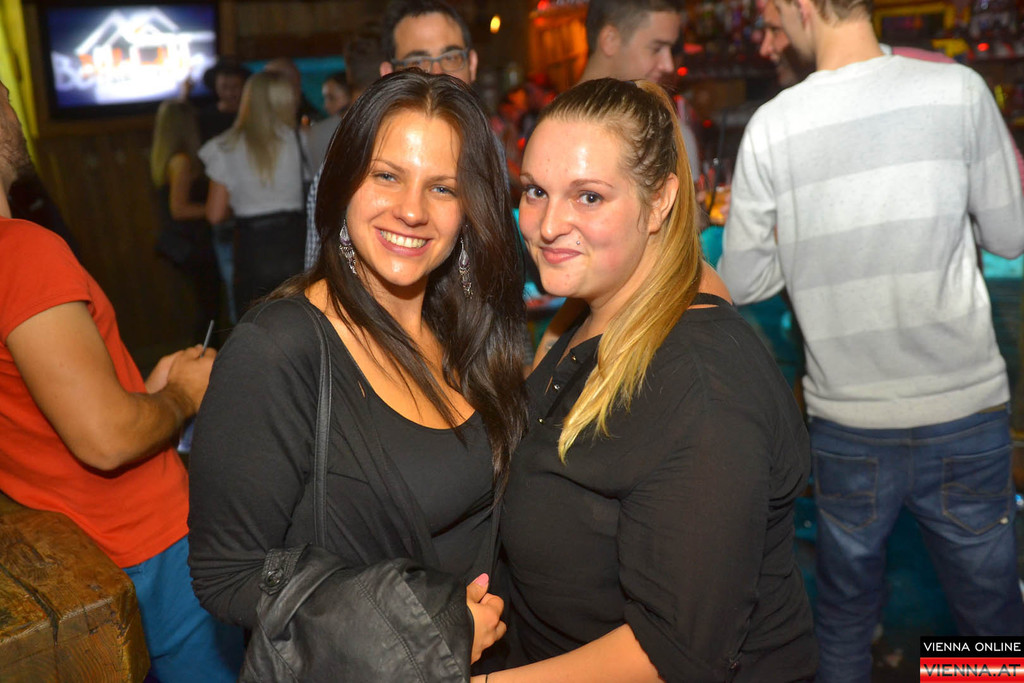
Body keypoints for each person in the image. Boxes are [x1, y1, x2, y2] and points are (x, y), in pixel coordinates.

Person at [719, 0, 1024, 680]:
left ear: (803, 7)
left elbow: (744, 279)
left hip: (849, 423)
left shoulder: (774, 124)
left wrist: (808, 234)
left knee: (846, 617)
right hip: (964, 409)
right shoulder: (957, 90)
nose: (772, 33)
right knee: (988, 619)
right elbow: (1011, 236)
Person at [188, 70, 528, 674]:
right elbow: (225, 575)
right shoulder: (279, 350)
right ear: (343, 183)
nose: (412, 210)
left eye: (443, 188)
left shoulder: (467, 331)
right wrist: (430, 627)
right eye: (387, 176)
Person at [485, 78, 817, 682]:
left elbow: (675, 651)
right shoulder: (590, 309)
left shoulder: (702, 390)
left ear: (660, 200)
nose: (548, 224)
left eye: (589, 197)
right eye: (535, 191)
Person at [0, 78, 243, 682]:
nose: (13, 106)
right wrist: (184, 395)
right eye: (3, 98)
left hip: (73, 552)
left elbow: (33, 412)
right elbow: (106, 440)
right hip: (144, 541)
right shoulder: (23, 251)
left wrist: (146, 395)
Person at [304, 0, 478, 269]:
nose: (438, 74)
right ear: (388, 74)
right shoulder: (350, 161)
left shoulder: (491, 156)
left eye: (451, 57)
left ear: (472, 64)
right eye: (417, 61)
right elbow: (318, 271)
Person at [200, 70, 310, 316]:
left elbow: (215, 214)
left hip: (251, 249)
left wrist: (243, 201)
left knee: (256, 323)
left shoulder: (223, 147)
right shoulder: (300, 141)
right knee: (302, 320)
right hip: (296, 244)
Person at [579, 0, 700, 177]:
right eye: (656, 48)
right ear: (610, 40)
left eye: (670, 50)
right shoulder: (558, 132)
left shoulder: (665, 130)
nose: (668, 65)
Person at [150, 99, 222, 342]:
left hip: (186, 243)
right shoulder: (181, 161)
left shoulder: (170, 158)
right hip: (193, 244)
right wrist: (216, 210)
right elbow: (179, 209)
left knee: (207, 307)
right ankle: (205, 355)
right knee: (209, 308)